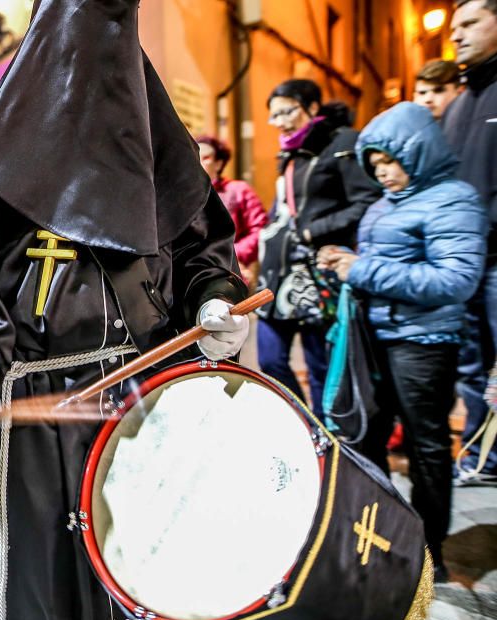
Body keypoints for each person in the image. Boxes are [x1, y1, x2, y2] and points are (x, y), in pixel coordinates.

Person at [0, 1, 249, 620]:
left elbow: (202, 252)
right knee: (49, 578)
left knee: (156, 560)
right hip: (42, 417)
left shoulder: (160, 154)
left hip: (146, 399)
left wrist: (212, 304)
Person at [318, 102, 487, 582]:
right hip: (378, 339)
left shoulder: (454, 199)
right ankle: (386, 532)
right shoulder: (383, 205)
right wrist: (345, 262)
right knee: (368, 436)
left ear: (416, 152)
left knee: (426, 447)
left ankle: (428, 552)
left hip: (424, 342)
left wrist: (364, 268)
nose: (382, 173)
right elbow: (386, 263)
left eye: (389, 161)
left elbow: (456, 279)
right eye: (374, 165)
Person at [256, 79, 380, 421]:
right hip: (281, 274)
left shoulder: (342, 144)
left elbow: (366, 202)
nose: (279, 122)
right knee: (270, 358)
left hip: (320, 271)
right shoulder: (291, 153)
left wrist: (315, 231)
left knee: (320, 365)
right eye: (274, 115)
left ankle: (327, 436)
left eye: (286, 112)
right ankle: (304, 423)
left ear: (312, 107)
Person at [444, 0, 497, 482]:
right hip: (464, 266)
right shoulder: (459, 104)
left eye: (469, 24)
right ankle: (485, 459)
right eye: (453, 26)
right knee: (474, 368)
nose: (456, 35)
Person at [196, 134, 268, 285]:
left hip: (231, 273)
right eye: (195, 156)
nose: (199, 162)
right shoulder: (183, 195)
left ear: (219, 163)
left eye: (206, 157)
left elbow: (260, 229)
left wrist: (231, 253)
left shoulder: (238, 190)